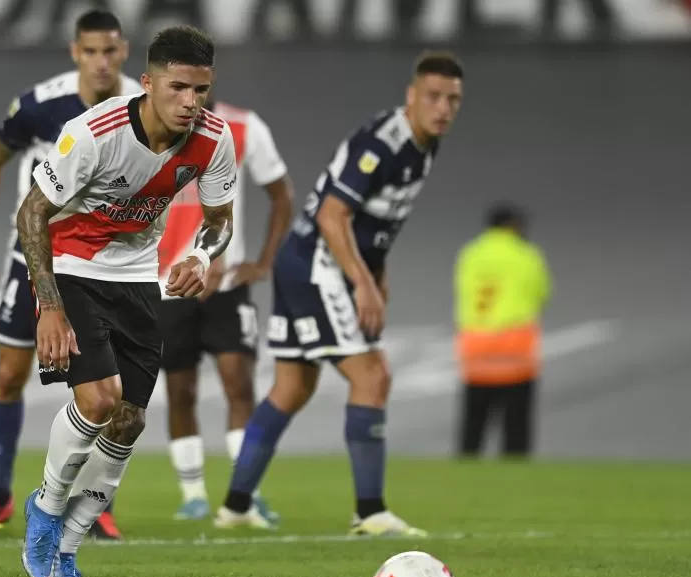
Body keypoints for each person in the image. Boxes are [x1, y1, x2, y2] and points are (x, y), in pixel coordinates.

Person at [18, 25, 237, 577]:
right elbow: (31, 213)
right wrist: (48, 306)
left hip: (138, 275)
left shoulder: (214, 139)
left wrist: (200, 255)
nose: (191, 102)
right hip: (71, 264)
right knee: (98, 398)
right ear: (147, 83)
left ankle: (68, 551)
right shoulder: (94, 134)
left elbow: (220, 220)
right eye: (179, 87)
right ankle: (44, 508)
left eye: (202, 90)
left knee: (129, 420)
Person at [214, 51, 465, 536]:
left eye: (453, 100)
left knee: (292, 388)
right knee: (373, 375)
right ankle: (370, 513)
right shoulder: (385, 142)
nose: (443, 108)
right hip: (316, 264)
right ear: (411, 96)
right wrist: (364, 283)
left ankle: (236, 505)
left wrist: (378, 268)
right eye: (434, 96)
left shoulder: (425, 144)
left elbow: (379, 218)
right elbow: (333, 214)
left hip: (303, 262)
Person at [0, 9, 142, 539]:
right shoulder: (39, 106)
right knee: (10, 374)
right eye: (91, 52)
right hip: (33, 257)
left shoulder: (140, 109)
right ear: (74, 52)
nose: (101, 62)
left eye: (110, 51)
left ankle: (92, 502)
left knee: (109, 389)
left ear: (124, 51)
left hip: (101, 263)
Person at [155, 95, 293, 522]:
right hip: (166, 286)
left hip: (227, 284)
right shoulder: (146, 124)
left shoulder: (243, 126)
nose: (191, 91)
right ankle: (193, 494)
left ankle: (243, 495)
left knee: (239, 384)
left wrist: (265, 260)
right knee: (180, 392)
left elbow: (281, 194)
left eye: (200, 77)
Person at [453, 203, 551, 458]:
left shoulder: (471, 253)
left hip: (475, 347)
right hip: (515, 347)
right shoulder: (526, 254)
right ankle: (513, 479)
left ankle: (465, 476)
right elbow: (541, 293)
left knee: (473, 426)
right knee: (516, 427)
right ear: (514, 226)